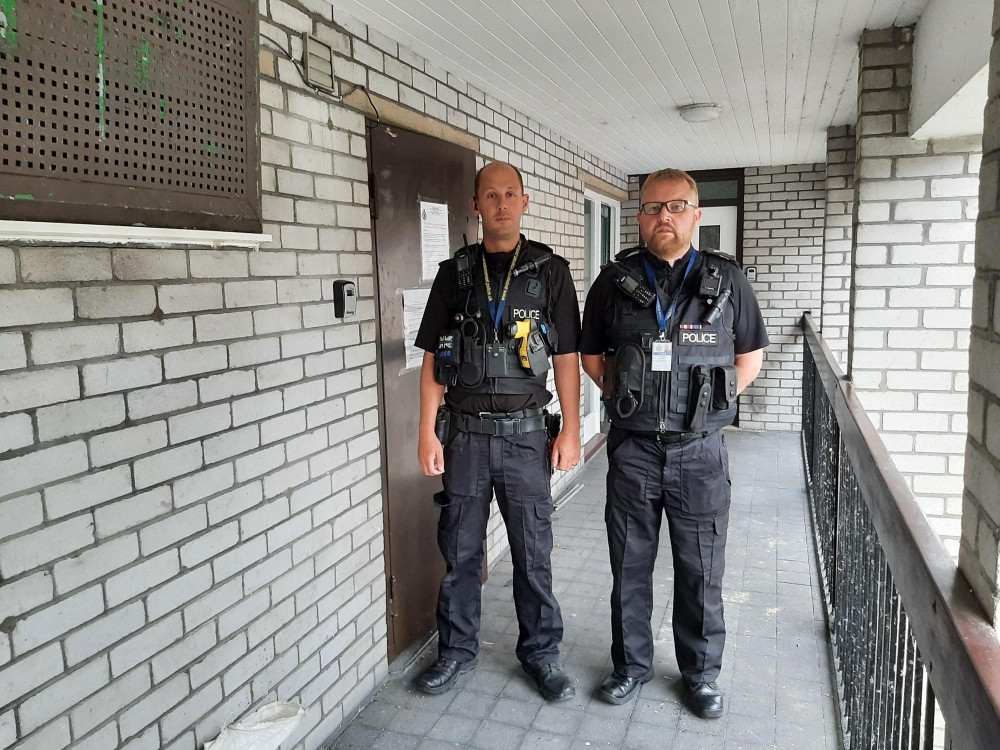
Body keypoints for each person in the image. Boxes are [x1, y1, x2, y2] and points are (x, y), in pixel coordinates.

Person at [579, 168, 768, 719]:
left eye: (677, 206)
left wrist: (700, 408)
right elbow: (593, 358)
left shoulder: (727, 281)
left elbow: (748, 360)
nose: (665, 216)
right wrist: (634, 401)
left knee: (702, 568)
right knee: (629, 567)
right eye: (654, 207)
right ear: (639, 216)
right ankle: (631, 666)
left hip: (699, 453)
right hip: (634, 450)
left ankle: (701, 674)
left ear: (696, 215)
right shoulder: (613, 283)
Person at [412, 161, 581, 702]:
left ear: (524, 202)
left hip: (528, 437)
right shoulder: (454, 273)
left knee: (534, 551)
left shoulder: (550, 271)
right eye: (491, 195)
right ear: (476, 204)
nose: (501, 203)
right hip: (462, 437)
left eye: (510, 194)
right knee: (460, 552)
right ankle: (456, 653)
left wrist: (572, 430)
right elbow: (434, 362)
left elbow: (568, 359)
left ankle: (541, 655)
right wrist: (425, 432)